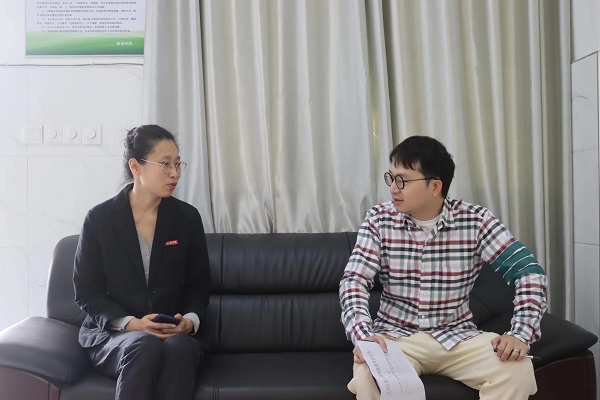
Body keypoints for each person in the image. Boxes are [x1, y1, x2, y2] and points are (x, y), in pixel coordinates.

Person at [339, 135, 547, 400]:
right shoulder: (379, 219)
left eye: (402, 180)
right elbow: (354, 280)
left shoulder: (475, 221)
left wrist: (520, 333)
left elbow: (529, 272)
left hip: (457, 338)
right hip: (395, 338)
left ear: (435, 186)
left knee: (518, 370)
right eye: (391, 178)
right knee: (367, 375)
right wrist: (364, 336)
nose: (393, 188)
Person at [73, 124, 211, 400]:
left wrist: (189, 321)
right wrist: (132, 324)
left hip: (172, 333)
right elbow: (86, 292)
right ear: (136, 166)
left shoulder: (187, 218)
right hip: (116, 336)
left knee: (180, 348)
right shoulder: (99, 220)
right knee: (144, 345)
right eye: (165, 164)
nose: (175, 173)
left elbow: (199, 285)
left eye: (178, 164)